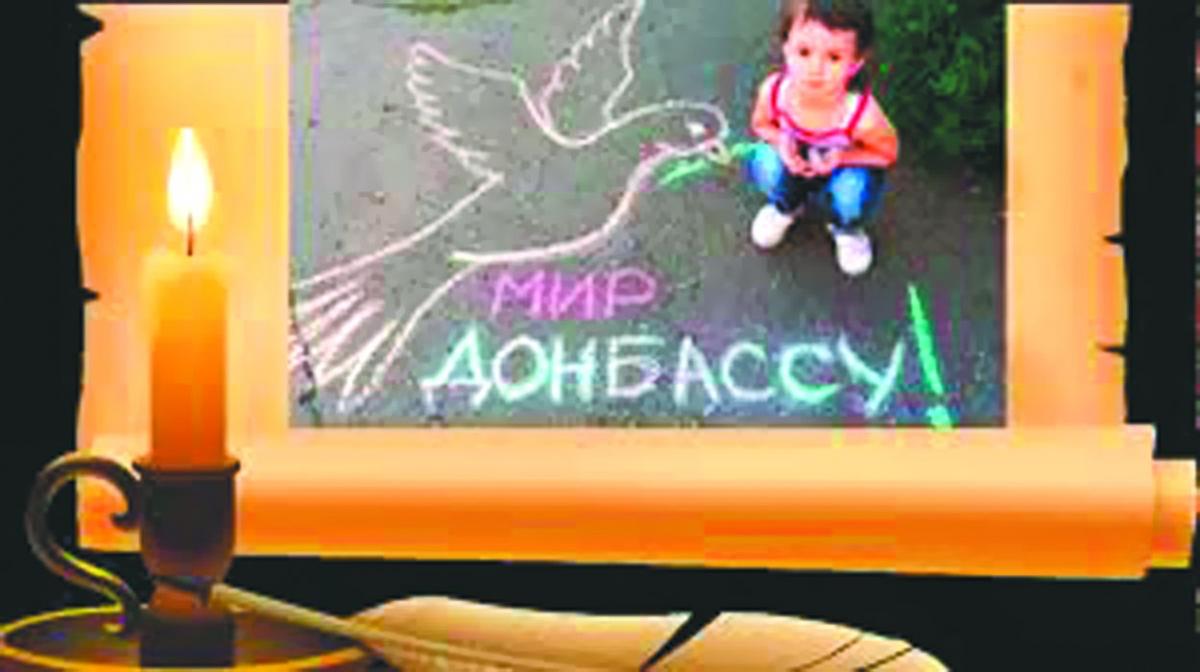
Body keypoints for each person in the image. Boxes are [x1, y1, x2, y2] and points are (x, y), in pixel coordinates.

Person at [745, 0, 899, 276]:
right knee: (764, 161)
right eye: (804, 52)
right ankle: (787, 206)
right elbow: (760, 124)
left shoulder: (862, 115)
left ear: (855, 63)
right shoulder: (775, 91)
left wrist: (843, 157)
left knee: (852, 191)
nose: (815, 68)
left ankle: (846, 227)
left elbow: (887, 154)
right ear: (786, 47)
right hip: (795, 162)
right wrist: (782, 142)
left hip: (841, 167)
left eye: (834, 57)